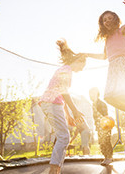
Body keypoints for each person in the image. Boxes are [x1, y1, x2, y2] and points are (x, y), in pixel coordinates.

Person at [83, 0, 125, 119]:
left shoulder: (123, 30)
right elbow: (104, 56)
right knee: (109, 97)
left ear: (116, 20)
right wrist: (87, 54)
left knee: (122, 94)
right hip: (113, 68)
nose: (108, 21)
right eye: (105, 20)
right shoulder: (107, 39)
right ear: (102, 24)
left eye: (110, 18)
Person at [38, 39, 86, 174]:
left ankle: (56, 169)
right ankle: (54, 170)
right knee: (64, 137)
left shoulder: (64, 69)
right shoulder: (66, 69)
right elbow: (64, 92)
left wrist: (69, 115)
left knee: (63, 136)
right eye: (83, 65)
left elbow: (61, 96)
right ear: (79, 61)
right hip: (51, 103)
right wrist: (76, 111)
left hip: (52, 103)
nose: (82, 68)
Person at [89, 87, 113, 166]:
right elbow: (95, 117)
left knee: (106, 141)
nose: (90, 96)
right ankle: (106, 157)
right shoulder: (93, 104)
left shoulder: (101, 104)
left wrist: (105, 127)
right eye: (90, 94)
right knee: (101, 142)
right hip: (100, 126)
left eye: (92, 94)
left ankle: (109, 157)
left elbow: (104, 115)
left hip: (105, 125)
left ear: (97, 94)